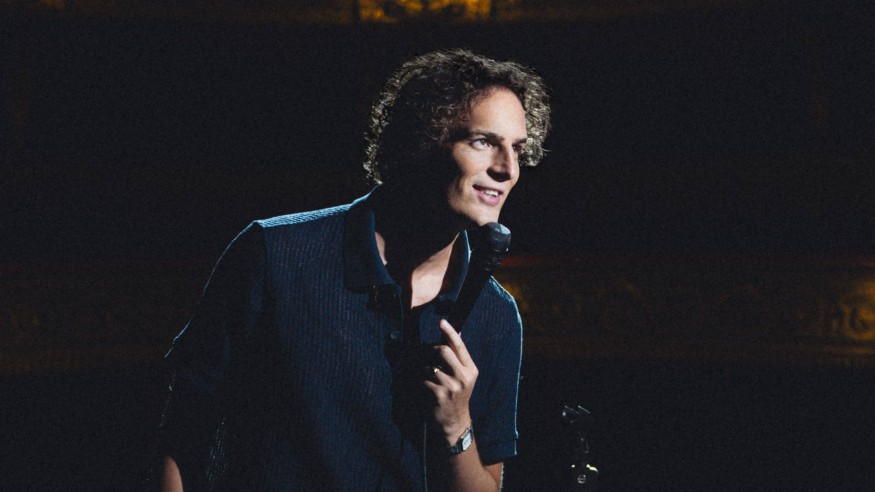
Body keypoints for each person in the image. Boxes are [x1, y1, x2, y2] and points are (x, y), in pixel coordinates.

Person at [156, 48, 551, 491]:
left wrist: (456, 426)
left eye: (517, 148)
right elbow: (179, 433)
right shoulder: (275, 255)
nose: (507, 169)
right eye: (483, 142)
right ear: (421, 143)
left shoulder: (496, 315)